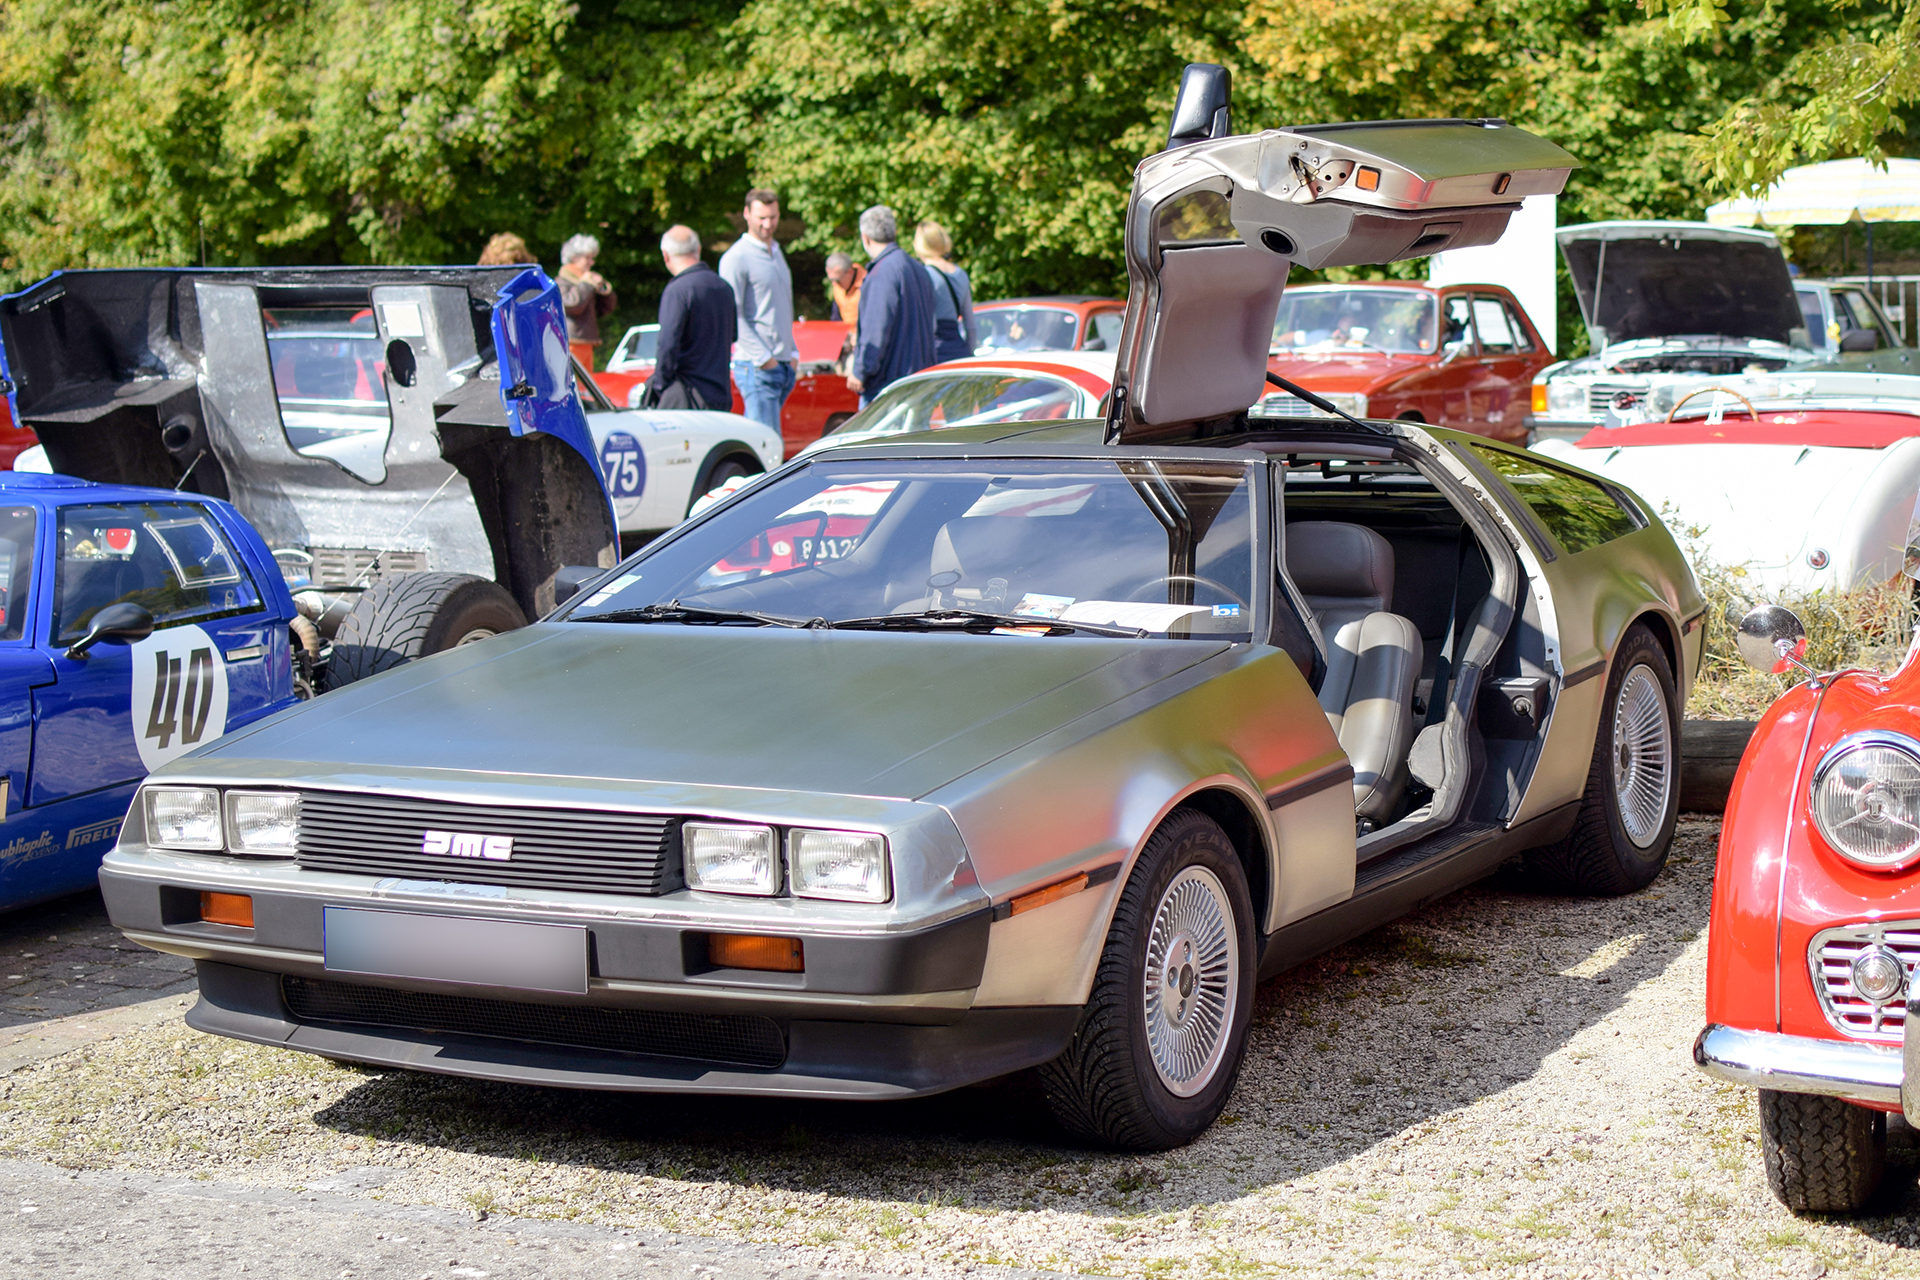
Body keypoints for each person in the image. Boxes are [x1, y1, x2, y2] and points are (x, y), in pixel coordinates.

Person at [718, 188, 798, 432]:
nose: (767, 224)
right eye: (761, 217)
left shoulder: (776, 252)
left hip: (782, 363)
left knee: (769, 447)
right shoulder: (737, 257)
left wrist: (793, 353)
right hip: (757, 366)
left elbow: (782, 306)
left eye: (773, 217)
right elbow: (734, 316)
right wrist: (764, 359)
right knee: (766, 451)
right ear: (746, 214)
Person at [847, 206, 935, 406]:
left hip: (890, 386)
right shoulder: (918, 268)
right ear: (893, 232)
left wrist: (861, 371)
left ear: (865, 237)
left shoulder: (882, 272)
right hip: (919, 379)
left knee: (873, 437)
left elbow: (875, 329)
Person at [647, 225, 735, 412]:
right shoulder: (724, 288)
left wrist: (659, 387)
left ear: (665, 255)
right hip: (721, 394)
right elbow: (733, 336)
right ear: (698, 249)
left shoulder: (678, 290)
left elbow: (667, 345)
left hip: (689, 398)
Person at [914, 221, 976, 362]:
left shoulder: (924, 274)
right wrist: (969, 355)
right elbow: (971, 326)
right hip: (959, 350)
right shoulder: (961, 274)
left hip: (936, 352)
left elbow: (930, 325)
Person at [558, 234, 617, 370]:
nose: (592, 263)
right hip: (571, 343)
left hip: (587, 344)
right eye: (587, 258)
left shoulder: (585, 282)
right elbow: (573, 305)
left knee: (586, 389)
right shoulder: (561, 282)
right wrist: (586, 284)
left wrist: (604, 291)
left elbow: (605, 309)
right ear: (574, 258)